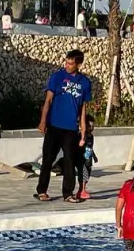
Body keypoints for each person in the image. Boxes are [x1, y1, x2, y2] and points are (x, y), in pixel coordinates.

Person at [35, 49, 92, 204]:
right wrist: (43, 121)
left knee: (69, 161)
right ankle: (42, 190)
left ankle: (68, 193)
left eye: (71, 63)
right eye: (66, 62)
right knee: (48, 159)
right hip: (54, 126)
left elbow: (83, 108)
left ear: (78, 64)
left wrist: (83, 129)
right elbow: (48, 100)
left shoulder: (85, 83)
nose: (67, 65)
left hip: (71, 129)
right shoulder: (57, 77)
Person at [76, 114, 98, 200]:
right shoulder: (81, 135)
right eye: (89, 125)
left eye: (93, 126)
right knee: (84, 175)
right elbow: (78, 146)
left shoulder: (91, 136)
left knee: (88, 174)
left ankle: (81, 190)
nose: (91, 128)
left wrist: (94, 156)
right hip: (82, 159)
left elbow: (90, 147)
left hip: (88, 159)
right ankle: (82, 190)